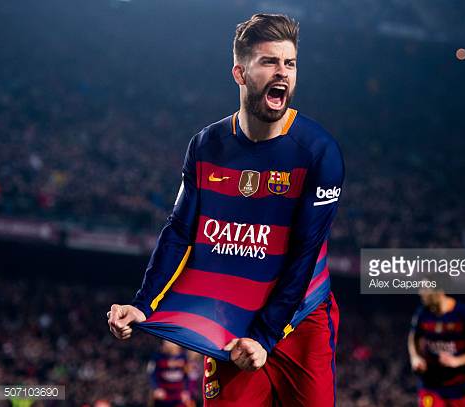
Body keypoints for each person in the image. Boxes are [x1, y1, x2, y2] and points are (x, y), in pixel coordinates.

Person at [107, 13, 344, 406]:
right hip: (229, 321)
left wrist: (266, 335)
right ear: (240, 73)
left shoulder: (319, 152)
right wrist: (142, 303)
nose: (282, 72)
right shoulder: (205, 147)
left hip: (301, 321)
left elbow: (303, 254)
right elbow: (180, 232)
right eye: (269, 61)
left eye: (290, 63)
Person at [408, 288, 465, 407]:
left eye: (426, 289)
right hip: (430, 383)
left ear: (440, 291)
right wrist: (415, 357)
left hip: (458, 385)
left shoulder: (464, 313)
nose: (421, 293)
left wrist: (458, 361)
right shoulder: (422, 313)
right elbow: (413, 337)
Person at [147, 341, 192, 407]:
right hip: (163, 392)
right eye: (167, 343)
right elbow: (152, 374)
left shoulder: (184, 357)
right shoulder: (157, 357)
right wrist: (156, 388)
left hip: (178, 393)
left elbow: (187, 375)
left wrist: (186, 390)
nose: (170, 345)